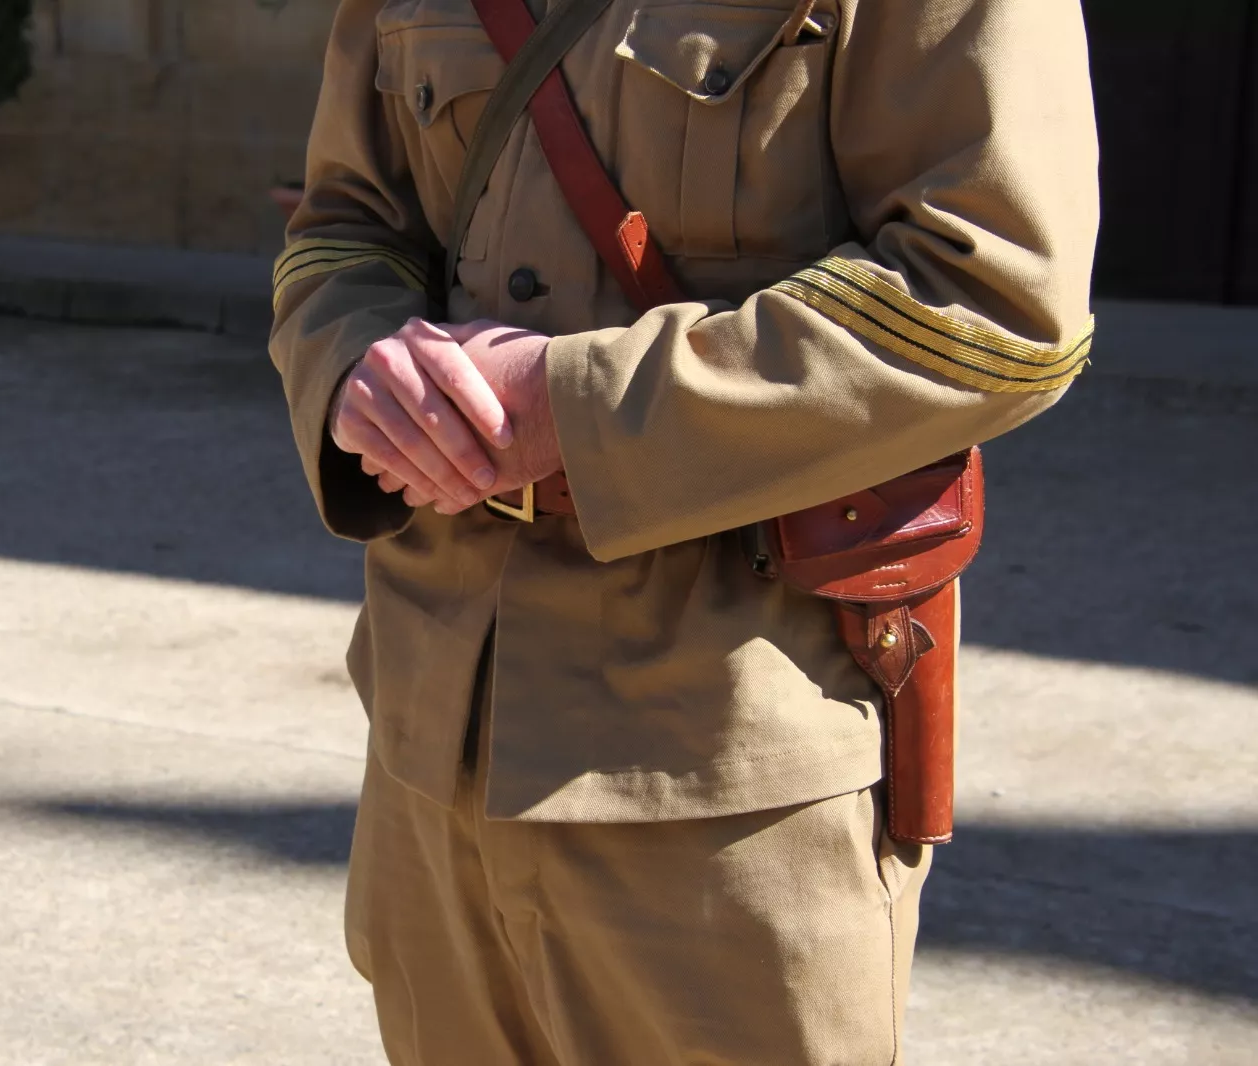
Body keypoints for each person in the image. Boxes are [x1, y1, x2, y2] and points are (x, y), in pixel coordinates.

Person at [269, 0, 1097, 1062]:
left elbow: (997, 297)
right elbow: (345, 228)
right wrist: (352, 368)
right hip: (437, 731)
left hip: (725, 759)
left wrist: (569, 409)